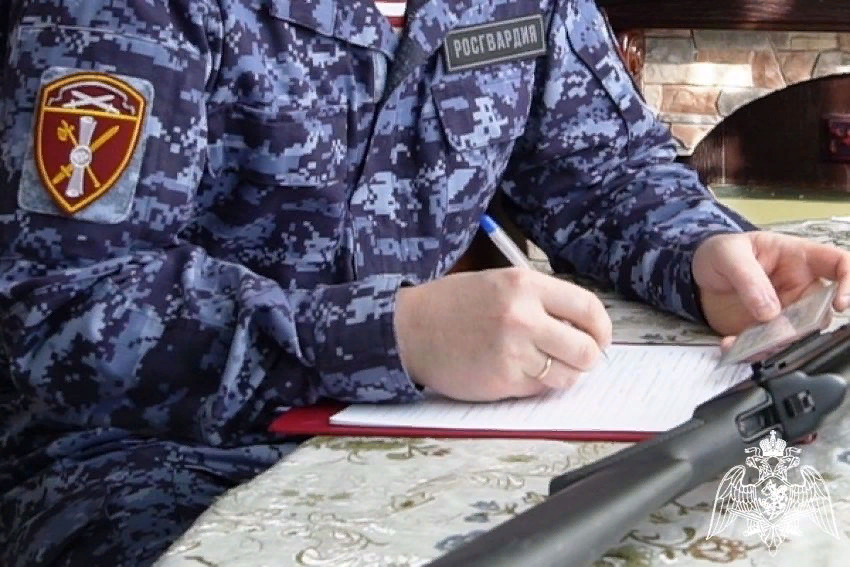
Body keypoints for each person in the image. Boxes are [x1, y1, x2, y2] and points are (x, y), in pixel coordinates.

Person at [2, 0, 849, 564]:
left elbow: (605, 170)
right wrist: (393, 336)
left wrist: (698, 252)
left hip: (437, 434)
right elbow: (65, 302)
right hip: (148, 456)